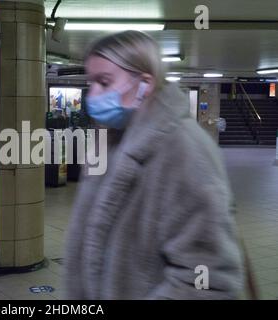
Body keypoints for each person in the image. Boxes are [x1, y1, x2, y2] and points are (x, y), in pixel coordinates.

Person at [63, 30, 245, 299]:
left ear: (144, 84)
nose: (93, 95)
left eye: (104, 82)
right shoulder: (111, 139)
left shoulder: (184, 148)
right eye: (92, 83)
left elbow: (208, 280)